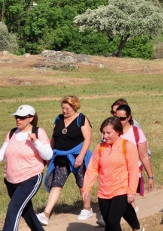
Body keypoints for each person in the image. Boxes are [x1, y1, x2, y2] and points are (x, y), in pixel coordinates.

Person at [38, 95, 94, 225]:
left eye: (67, 108)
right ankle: (46, 214)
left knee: (82, 183)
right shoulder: (58, 119)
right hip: (60, 157)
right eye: (63, 108)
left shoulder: (82, 119)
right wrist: (49, 154)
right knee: (57, 183)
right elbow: (54, 138)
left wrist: (80, 156)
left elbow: (88, 139)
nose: (64, 111)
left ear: (75, 107)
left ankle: (87, 208)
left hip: (76, 156)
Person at [81, 117, 141, 231]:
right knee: (109, 223)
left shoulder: (127, 146)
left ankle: (137, 227)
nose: (105, 136)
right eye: (103, 133)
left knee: (112, 222)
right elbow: (93, 169)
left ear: (118, 131)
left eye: (108, 133)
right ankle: (137, 228)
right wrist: (87, 187)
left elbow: (133, 170)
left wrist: (131, 191)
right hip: (104, 192)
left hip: (121, 190)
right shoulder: (100, 148)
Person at [1, 105, 52, 231]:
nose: (18, 119)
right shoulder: (12, 133)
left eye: (22, 117)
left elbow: (48, 155)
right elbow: (2, 153)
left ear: (31, 118)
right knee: (26, 210)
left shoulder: (38, 132)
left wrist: (36, 142)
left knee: (14, 209)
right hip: (11, 180)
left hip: (30, 178)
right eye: (17, 117)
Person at [113, 104, 154, 205]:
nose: (118, 121)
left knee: (126, 199)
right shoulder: (111, 132)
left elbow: (144, 156)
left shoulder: (136, 133)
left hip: (131, 172)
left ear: (129, 117)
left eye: (122, 118)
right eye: (116, 118)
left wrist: (150, 176)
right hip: (114, 171)